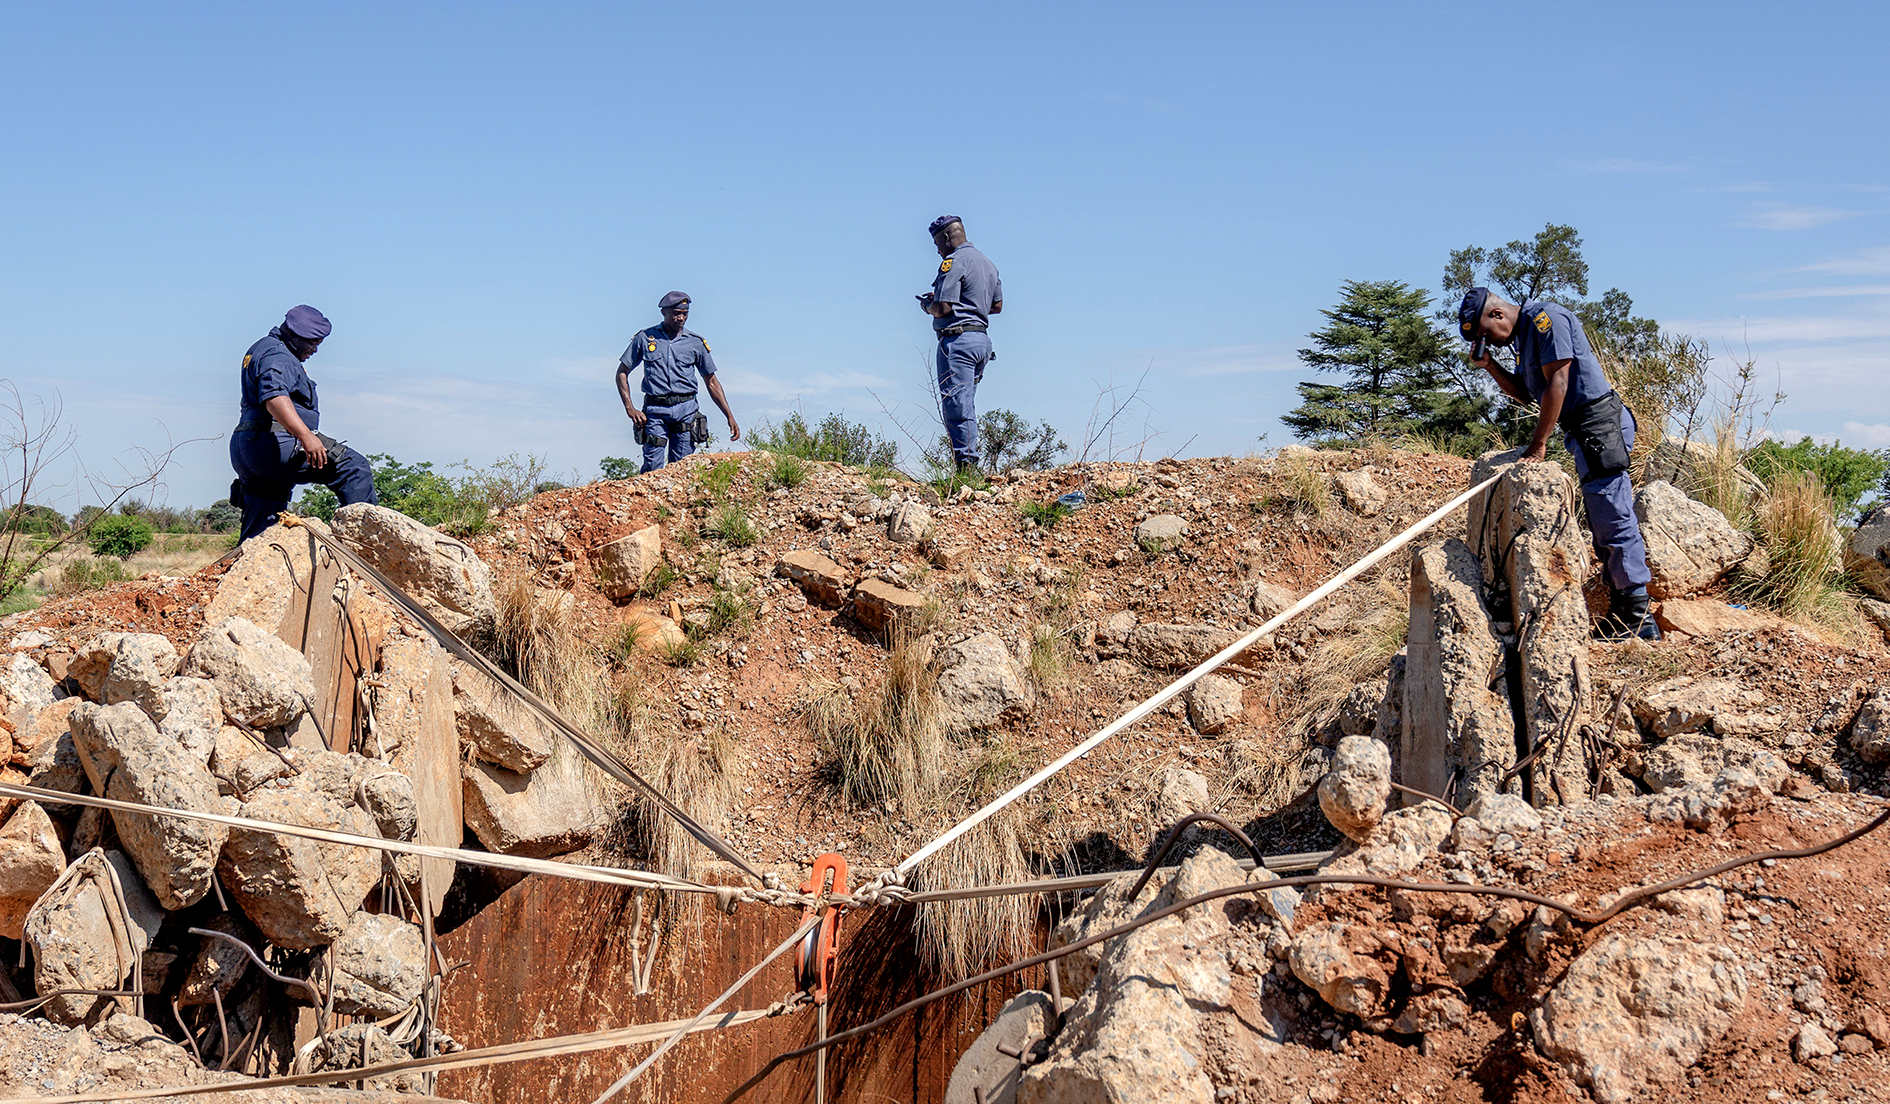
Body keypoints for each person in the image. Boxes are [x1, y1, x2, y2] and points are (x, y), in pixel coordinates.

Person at [1458, 287, 1660, 640]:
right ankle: (1623, 611)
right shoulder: (1523, 337)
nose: (1489, 340)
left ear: (1497, 314)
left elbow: (1559, 381)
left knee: (1613, 515)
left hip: (1599, 423)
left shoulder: (1544, 320)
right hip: (1583, 429)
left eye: (1486, 334)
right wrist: (1490, 365)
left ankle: (1640, 620)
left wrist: (1538, 445)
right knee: (1601, 520)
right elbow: (1527, 392)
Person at [229, 305, 378, 542]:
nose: (315, 349)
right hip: (275, 442)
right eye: (311, 342)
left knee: (262, 523)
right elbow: (274, 396)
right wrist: (306, 436)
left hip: (248, 445)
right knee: (352, 467)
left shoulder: (262, 348)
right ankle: (366, 546)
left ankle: (242, 570)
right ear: (292, 333)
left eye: (318, 343)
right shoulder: (278, 356)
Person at [616, 292, 740, 473]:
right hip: (656, 410)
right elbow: (621, 373)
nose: (680, 318)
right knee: (652, 468)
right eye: (676, 313)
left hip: (686, 410)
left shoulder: (695, 342)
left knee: (683, 469)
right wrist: (630, 408)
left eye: (684, 313)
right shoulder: (645, 338)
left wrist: (729, 415)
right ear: (664, 312)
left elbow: (711, 381)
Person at [918, 215, 1002, 472]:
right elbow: (996, 306)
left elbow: (942, 308)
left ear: (946, 237)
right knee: (967, 402)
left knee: (956, 404)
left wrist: (927, 306)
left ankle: (966, 468)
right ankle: (969, 463)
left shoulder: (953, 262)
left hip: (958, 341)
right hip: (982, 341)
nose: (937, 249)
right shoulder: (987, 263)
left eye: (937, 243)